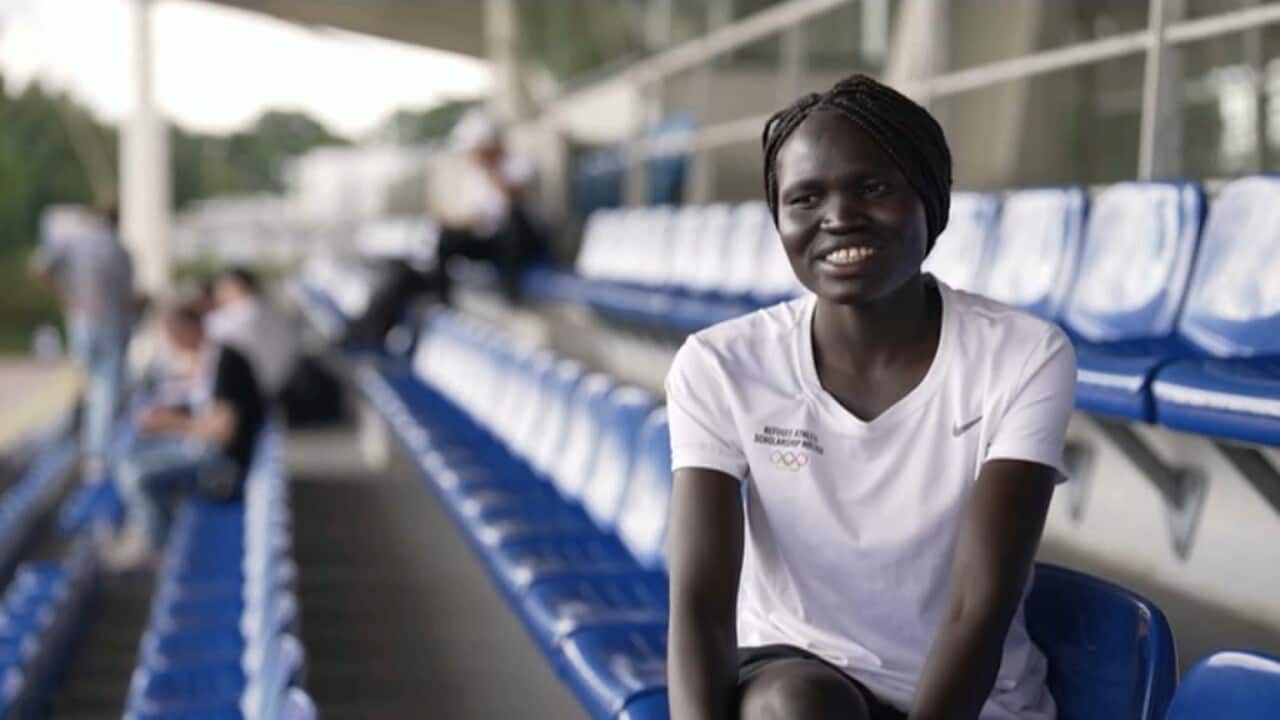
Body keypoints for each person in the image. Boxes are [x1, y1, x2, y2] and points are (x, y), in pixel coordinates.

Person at [665, 74, 1076, 720]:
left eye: (873, 187)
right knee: (795, 708)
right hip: (799, 677)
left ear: (929, 200)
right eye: (804, 198)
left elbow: (979, 604)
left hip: (969, 702)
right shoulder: (720, 365)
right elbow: (701, 602)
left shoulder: (1023, 355)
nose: (838, 217)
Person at [112, 301, 265, 558]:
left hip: (225, 467)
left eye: (170, 334)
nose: (169, 343)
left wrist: (171, 423)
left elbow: (223, 432)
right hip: (207, 451)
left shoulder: (226, 362)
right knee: (125, 452)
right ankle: (150, 534)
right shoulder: (209, 357)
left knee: (137, 474)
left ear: (189, 329)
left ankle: (160, 549)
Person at [32, 205, 136, 481]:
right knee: (106, 389)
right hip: (111, 325)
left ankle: (88, 443)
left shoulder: (74, 244)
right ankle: (98, 456)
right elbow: (129, 296)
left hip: (82, 321)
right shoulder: (120, 251)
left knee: (88, 383)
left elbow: (41, 268)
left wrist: (68, 298)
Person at [435, 108, 547, 302]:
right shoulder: (474, 178)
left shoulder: (519, 164)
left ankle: (513, 291)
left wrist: (488, 167)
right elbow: (477, 217)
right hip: (494, 243)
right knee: (446, 235)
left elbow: (514, 195)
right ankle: (442, 295)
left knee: (513, 215)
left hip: (525, 241)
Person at [205, 266, 298, 400]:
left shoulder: (227, 318)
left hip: (243, 392)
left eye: (220, 287)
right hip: (279, 387)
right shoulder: (275, 312)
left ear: (235, 285)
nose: (217, 292)